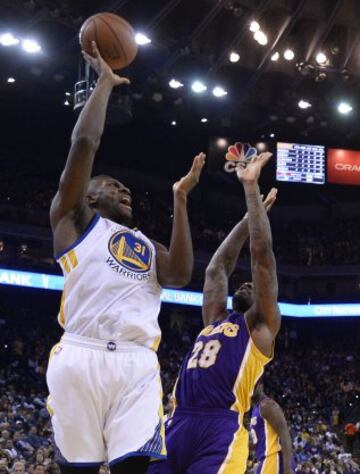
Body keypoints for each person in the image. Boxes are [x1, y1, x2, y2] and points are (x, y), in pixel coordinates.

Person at [46, 41, 205, 474]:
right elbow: (84, 142)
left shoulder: (144, 243)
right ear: (90, 194)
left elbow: (181, 274)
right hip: (80, 352)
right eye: (113, 186)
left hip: (137, 361)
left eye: (126, 188)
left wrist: (181, 199)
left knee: (135, 469)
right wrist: (104, 85)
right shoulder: (73, 220)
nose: (124, 190)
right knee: (76, 468)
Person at [149, 151, 280, 473]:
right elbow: (217, 268)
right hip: (177, 422)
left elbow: (261, 256)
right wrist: (249, 219)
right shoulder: (216, 319)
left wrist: (251, 190)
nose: (245, 285)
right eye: (244, 283)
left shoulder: (261, 328)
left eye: (252, 286)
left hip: (220, 429)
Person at [250, 381, 295, 473]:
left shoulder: (267, 405)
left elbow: (284, 433)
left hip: (274, 458)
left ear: (260, 386)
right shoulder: (256, 409)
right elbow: (260, 441)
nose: (250, 389)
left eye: (253, 386)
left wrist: (287, 468)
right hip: (267, 459)